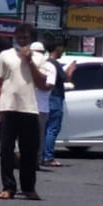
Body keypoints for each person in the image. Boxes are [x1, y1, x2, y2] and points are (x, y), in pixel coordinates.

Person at [0, 22, 48, 200]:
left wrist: (29, 60)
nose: (22, 41)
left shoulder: (39, 58)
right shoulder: (5, 55)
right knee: (6, 150)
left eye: (26, 38)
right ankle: (8, 187)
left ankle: (28, 187)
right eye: (20, 38)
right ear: (15, 38)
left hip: (29, 109)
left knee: (29, 151)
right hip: (8, 107)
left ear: (31, 40)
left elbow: (42, 83)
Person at [41, 39, 68, 168]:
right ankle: (48, 157)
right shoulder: (55, 64)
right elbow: (66, 78)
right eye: (62, 47)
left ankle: (41, 156)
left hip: (47, 99)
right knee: (52, 129)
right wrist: (72, 69)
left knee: (45, 129)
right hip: (55, 98)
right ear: (57, 47)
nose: (63, 50)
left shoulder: (45, 63)